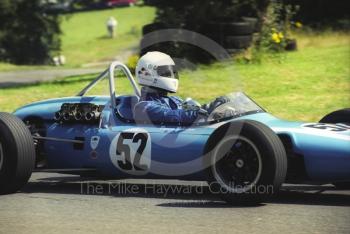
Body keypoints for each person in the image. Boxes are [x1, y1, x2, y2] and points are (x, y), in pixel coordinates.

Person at [133, 51, 227, 125]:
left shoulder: (174, 100)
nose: (171, 76)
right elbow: (176, 115)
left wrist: (213, 106)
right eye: (166, 73)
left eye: (172, 72)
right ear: (148, 74)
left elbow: (195, 109)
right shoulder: (144, 107)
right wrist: (202, 112)